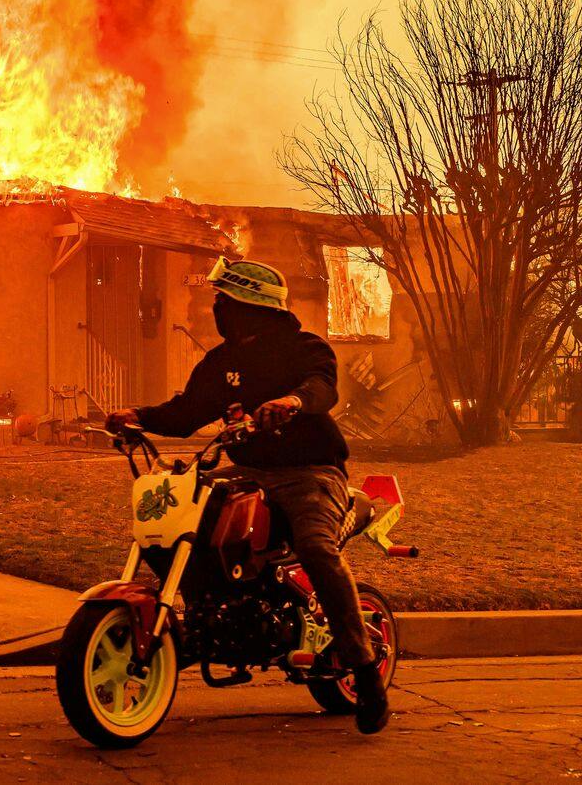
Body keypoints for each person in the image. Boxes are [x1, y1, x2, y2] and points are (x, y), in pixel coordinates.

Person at [107, 255, 390, 735]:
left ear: (249, 307)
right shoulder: (221, 363)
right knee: (185, 519)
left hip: (309, 471)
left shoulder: (304, 348)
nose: (216, 309)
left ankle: (365, 671)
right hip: (248, 471)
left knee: (317, 548)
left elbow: (322, 387)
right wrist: (138, 416)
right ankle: (209, 617)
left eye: (224, 301)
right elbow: (187, 412)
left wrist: (292, 401)